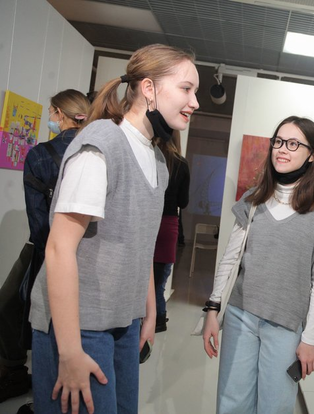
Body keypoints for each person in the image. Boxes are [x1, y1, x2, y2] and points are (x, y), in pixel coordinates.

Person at [29, 43, 199, 414]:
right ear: (149, 88)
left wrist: (148, 311)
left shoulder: (157, 159)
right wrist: (69, 352)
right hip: (80, 325)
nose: (195, 102)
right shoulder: (101, 145)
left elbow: (140, 244)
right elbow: (58, 249)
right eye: (186, 89)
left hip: (124, 321)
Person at [202, 116, 314, 413]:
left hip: (286, 325)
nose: (282, 149)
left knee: (275, 407)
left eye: (293, 144)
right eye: (278, 141)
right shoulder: (253, 199)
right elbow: (230, 259)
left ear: (313, 155)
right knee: (231, 403)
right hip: (240, 316)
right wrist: (213, 310)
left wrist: (310, 339)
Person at [0, 89, 90, 405]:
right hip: (89, 250)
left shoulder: (39, 155)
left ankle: (24, 380)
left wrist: (49, 258)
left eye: (51, 112)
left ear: (58, 114)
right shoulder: (96, 151)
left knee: (21, 310)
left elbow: (39, 224)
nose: (50, 118)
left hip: (49, 248)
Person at [153, 130, 190, 333]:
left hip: (148, 220)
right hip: (168, 224)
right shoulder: (181, 164)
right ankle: (158, 319)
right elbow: (183, 202)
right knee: (159, 282)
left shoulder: (150, 157)